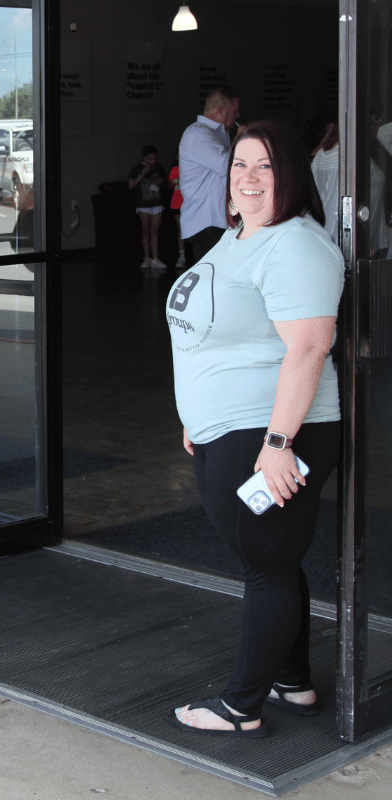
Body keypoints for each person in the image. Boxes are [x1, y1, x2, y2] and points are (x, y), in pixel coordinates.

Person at [166, 120, 343, 737]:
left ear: (290, 175)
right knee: (269, 557)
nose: (248, 177)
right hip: (228, 430)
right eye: (239, 164)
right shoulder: (239, 237)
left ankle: (241, 706)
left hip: (271, 434)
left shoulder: (296, 244)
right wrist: (197, 415)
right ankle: (293, 681)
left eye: (264, 166)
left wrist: (278, 445)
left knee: (265, 565)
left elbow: (309, 349)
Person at [178, 86, 240, 265]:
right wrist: (242, 139)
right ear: (221, 111)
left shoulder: (218, 134)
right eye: (234, 111)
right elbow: (226, 165)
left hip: (215, 221)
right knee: (210, 281)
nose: (237, 116)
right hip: (206, 222)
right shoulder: (197, 134)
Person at [128, 144, 166, 269]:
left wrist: (160, 182)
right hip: (143, 204)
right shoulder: (137, 168)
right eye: (150, 158)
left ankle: (156, 258)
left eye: (155, 158)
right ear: (144, 158)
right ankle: (147, 258)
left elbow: (164, 182)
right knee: (145, 231)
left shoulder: (158, 167)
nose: (152, 161)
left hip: (156, 202)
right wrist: (142, 175)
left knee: (155, 231)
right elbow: (130, 185)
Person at [168, 156, 186, 268]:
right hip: (178, 202)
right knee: (180, 229)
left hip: (192, 202)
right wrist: (175, 180)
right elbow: (169, 186)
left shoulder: (193, 167)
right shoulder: (175, 169)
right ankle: (182, 255)